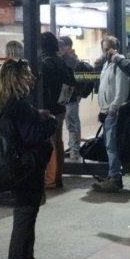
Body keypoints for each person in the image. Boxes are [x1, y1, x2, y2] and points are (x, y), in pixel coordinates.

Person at [0, 59, 56, 259]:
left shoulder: (6, 102)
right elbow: (31, 134)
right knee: (23, 220)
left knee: (26, 217)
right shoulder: (18, 105)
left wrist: (36, 114)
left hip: (17, 170)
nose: (32, 78)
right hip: (25, 171)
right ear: (19, 79)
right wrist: (51, 123)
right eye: (28, 74)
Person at [93, 35, 130, 192]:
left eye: (109, 48)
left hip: (113, 112)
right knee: (110, 145)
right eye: (104, 49)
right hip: (106, 111)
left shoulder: (119, 65)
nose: (106, 52)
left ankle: (114, 177)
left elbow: (121, 90)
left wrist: (113, 109)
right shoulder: (106, 65)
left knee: (111, 145)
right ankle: (113, 175)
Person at [40, 32, 75, 189]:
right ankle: (58, 176)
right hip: (59, 107)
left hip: (45, 108)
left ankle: (50, 178)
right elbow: (70, 83)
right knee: (58, 141)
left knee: (48, 142)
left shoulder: (43, 62)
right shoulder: (60, 62)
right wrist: (62, 101)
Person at [59, 36, 82, 162]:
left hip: (69, 96)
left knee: (72, 124)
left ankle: (74, 152)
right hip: (64, 96)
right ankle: (71, 150)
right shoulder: (66, 58)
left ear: (67, 47)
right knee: (69, 124)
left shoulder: (71, 59)